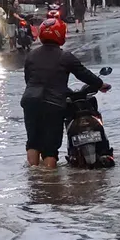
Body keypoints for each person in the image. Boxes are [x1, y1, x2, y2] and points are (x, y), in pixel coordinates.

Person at [21, 12, 110, 168]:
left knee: (33, 142)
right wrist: (100, 85)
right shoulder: (65, 57)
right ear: (61, 35)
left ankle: (34, 179)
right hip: (53, 104)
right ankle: (50, 182)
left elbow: (28, 80)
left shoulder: (31, 56)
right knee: (50, 148)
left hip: (30, 102)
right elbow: (84, 74)